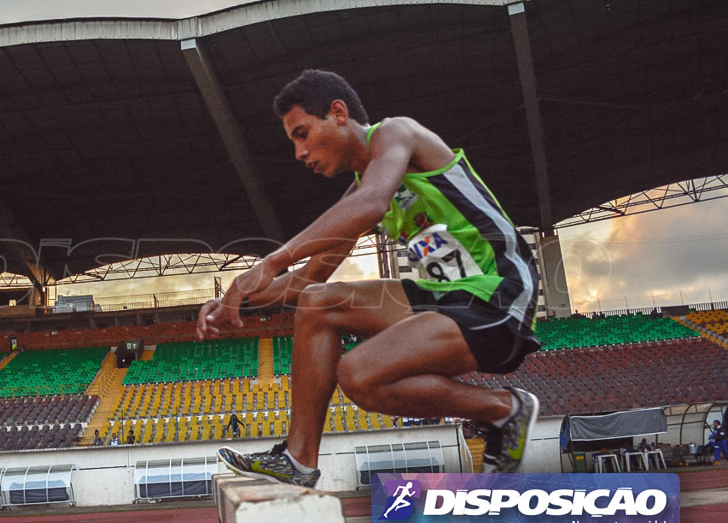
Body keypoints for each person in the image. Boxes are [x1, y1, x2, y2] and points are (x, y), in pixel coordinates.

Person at [198, 69, 541, 487]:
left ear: (338, 113)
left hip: (499, 292)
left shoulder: (397, 133)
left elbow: (373, 204)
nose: (298, 153)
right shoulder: (362, 188)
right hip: (447, 296)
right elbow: (310, 278)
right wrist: (237, 298)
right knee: (321, 307)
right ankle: (297, 459)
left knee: (356, 370)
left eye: (302, 133)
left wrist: (270, 262)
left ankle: (503, 409)